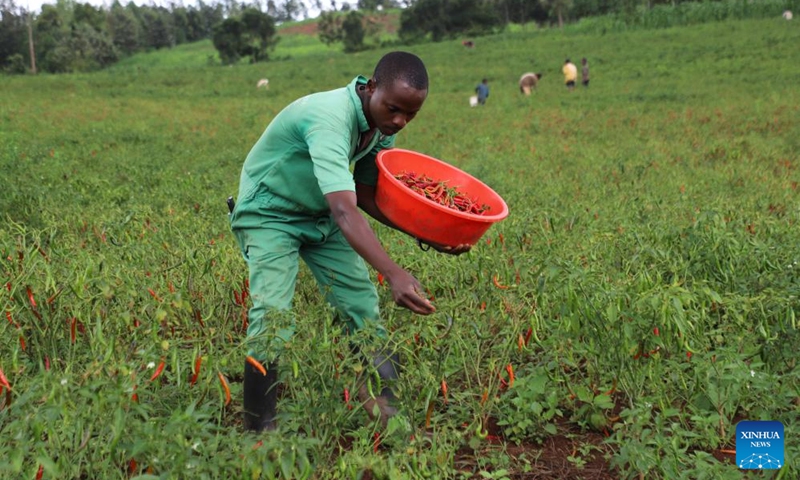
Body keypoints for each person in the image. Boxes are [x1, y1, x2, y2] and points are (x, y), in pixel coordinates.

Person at [228, 51, 470, 433]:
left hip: (320, 215)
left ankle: (383, 412)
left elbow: (366, 194)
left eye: (410, 115)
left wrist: (427, 234)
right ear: (371, 87)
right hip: (270, 214)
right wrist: (392, 272)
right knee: (272, 313)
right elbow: (346, 212)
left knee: (361, 304)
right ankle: (260, 429)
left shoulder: (380, 128)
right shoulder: (330, 118)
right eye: (393, 109)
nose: (399, 121)